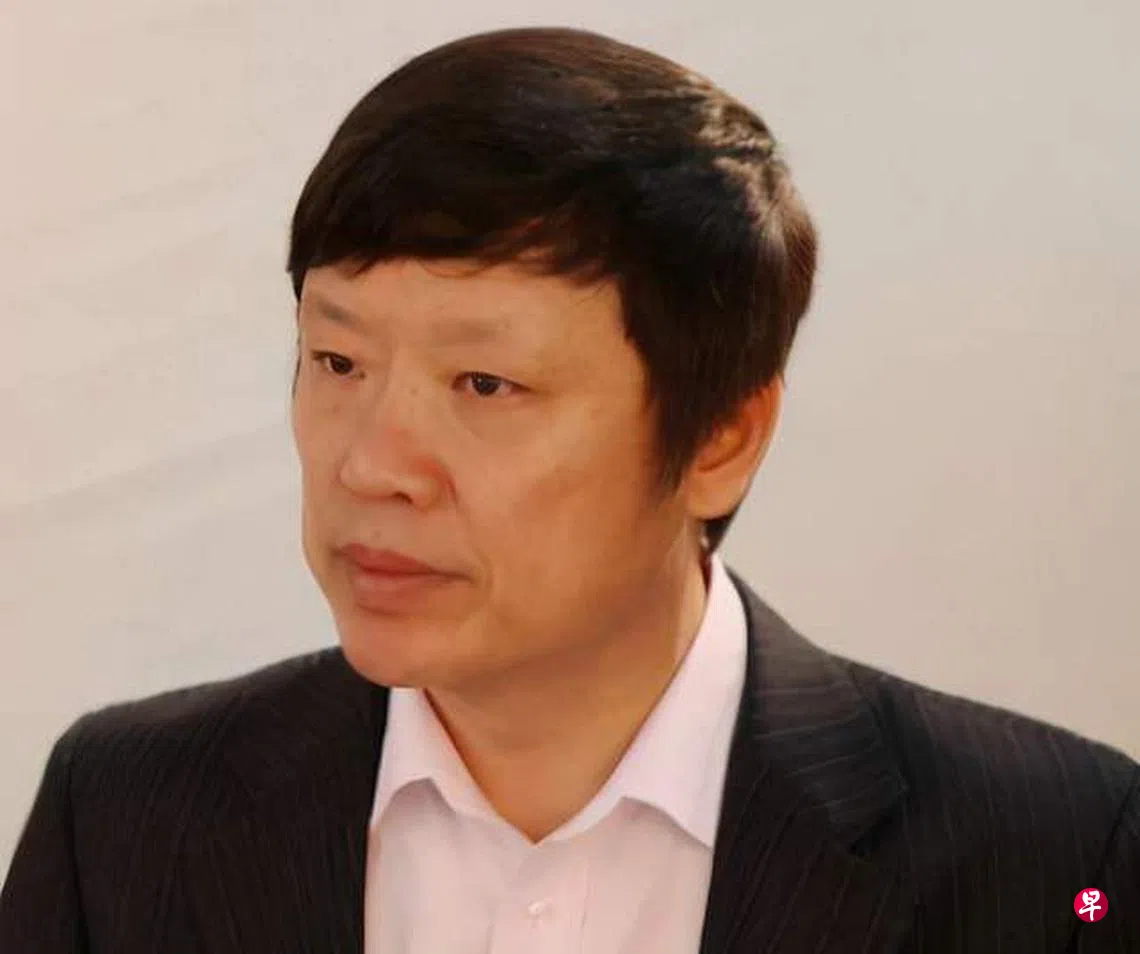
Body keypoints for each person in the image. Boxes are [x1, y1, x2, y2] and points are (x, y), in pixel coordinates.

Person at [1, 25, 1136, 954]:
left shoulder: (1062, 861)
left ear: (724, 436)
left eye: (485, 383)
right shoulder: (123, 820)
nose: (372, 466)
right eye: (338, 361)